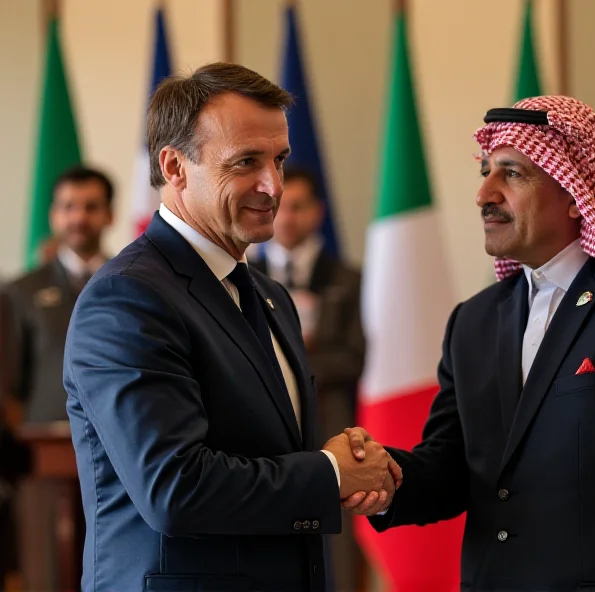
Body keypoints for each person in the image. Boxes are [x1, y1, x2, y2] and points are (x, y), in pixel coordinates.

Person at [342, 97, 595, 591]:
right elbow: (453, 469)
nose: (484, 194)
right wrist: (380, 477)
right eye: (486, 172)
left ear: (577, 193)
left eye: (511, 174)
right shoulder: (473, 321)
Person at [63, 63, 399, 592]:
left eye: (280, 159)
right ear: (174, 167)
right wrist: (329, 474)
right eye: (246, 162)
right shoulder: (126, 298)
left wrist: (347, 469)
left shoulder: (269, 296)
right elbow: (176, 488)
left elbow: (268, 454)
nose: (274, 185)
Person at [249, 167, 366, 590]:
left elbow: (354, 356)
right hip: (264, 427)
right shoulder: (244, 277)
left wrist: (293, 358)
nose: (287, 218)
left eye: (298, 207)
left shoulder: (348, 279)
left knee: (335, 543)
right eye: (281, 207)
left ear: (317, 213)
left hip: (329, 423)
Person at [0, 166, 114, 425]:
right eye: (68, 207)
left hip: (118, 440)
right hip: (43, 446)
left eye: (91, 207)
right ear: (53, 215)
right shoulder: (20, 291)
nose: (79, 218)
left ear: (110, 215)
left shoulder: (133, 283)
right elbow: (9, 386)